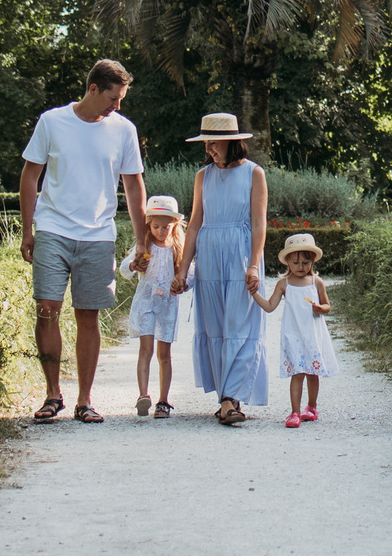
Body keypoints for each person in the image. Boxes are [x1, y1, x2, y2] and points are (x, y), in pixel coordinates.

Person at [17, 60, 148, 424]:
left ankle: (85, 400)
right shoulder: (52, 122)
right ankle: (52, 394)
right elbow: (30, 177)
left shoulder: (123, 130)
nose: (117, 106)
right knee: (47, 309)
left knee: (88, 316)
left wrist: (142, 241)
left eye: (121, 99)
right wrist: (28, 230)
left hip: (97, 235)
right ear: (93, 89)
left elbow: (134, 186)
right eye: (113, 97)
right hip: (53, 230)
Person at [174, 113, 267, 426]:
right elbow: (195, 224)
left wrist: (254, 264)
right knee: (215, 326)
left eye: (213, 142)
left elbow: (258, 222)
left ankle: (231, 397)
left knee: (241, 324)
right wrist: (182, 269)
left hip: (241, 254)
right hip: (210, 253)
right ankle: (227, 398)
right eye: (206, 143)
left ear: (231, 142)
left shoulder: (255, 174)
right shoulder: (203, 176)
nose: (209, 149)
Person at [251, 232, 336, 428]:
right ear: (287, 261)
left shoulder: (316, 282)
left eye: (306, 262)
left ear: (313, 261)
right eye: (296, 262)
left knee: (312, 373)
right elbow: (270, 306)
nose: (300, 267)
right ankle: (295, 412)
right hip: (293, 335)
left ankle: (312, 407)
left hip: (313, 334)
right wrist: (254, 293)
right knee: (297, 373)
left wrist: (320, 308)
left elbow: (327, 306)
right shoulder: (284, 284)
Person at [122, 193, 190, 418]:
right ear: (148, 225)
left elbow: (191, 273)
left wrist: (182, 283)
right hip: (146, 303)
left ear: (175, 225)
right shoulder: (145, 246)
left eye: (166, 227)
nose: (161, 231)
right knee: (146, 349)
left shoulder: (177, 247)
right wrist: (134, 265)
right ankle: (143, 395)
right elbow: (124, 269)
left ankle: (163, 400)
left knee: (165, 354)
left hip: (168, 305)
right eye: (156, 226)